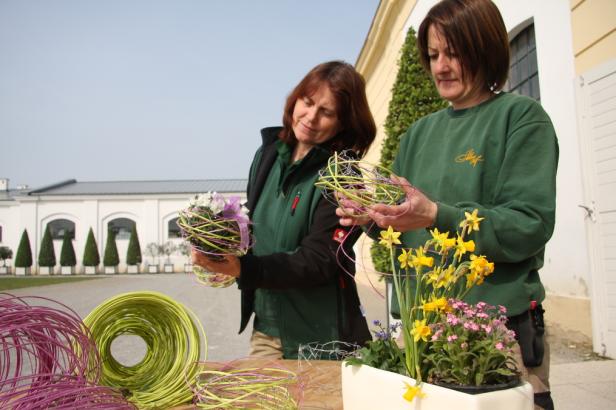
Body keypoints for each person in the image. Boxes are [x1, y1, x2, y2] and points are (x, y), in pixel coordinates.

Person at [336, 1, 558, 409]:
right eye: (434, 54)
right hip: (420, 330)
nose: (440, 67)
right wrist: (371, 217)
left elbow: (530, 225)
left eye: (454, 52)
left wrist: (439, 214)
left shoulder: (521, 118)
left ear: (486, 49)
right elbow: (403, 225)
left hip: (496, 332)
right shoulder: (418, 134)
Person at [192, 60, 376, 360]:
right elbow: (253, 230)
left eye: (326, 112)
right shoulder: (267, 155)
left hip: (321, 338)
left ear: (342, 123)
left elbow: (320, 261)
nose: (311, 117)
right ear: (296, 98)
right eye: (308, 102)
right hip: (266, 329)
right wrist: (215, 247)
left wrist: (245, 269)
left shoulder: (343, 176)